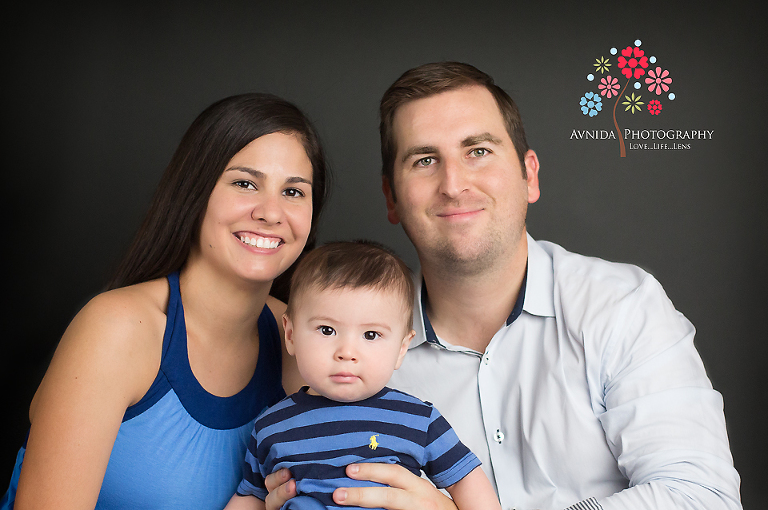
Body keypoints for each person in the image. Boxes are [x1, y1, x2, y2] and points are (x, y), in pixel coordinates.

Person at [266, 62, 743, 510]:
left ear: (528, 175)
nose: (453, 184)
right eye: (425, 160)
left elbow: (702, 496)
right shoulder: (348, 345)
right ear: (391, 198)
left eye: (478, 151)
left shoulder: (620, 305)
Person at [6, 93, 328, 510]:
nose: (271, 212)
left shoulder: (302, 335)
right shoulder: (118, 329)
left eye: (294, 192)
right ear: (195, 193)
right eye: (245, 183)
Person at [224, 241, 501, 510]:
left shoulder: (418, 419)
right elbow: (250, 497)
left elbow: (466, 479)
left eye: (371, 335)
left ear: (401, 348)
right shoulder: (271, 426)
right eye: (327, 330)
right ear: (291, 334)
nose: (347, 352)